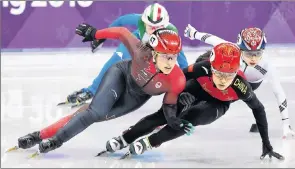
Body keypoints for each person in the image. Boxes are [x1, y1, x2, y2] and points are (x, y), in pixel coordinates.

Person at [13, 25, 193, 156]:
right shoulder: (140, 51)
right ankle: (54, 140)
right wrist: (95, 34)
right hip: (120, 76)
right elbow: (122, 32)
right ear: (154, 53)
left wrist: (174, 121)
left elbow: (168, 107)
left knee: (90, 115)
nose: (171, 62)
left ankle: (38, 135)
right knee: (94, 112)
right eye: (166, 57)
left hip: (136, 97)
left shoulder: (177, 80)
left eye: (174, 57)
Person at [101, 42, 284, 161]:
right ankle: (125, 138)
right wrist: (177, 99)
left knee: (192, 118)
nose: (222, 80)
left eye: (228, 75)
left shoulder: (241, 86)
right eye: (218, 73)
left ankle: (151, 141)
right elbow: (175, 79)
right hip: (197, 87)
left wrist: (266, 144)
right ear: (211, 68)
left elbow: (259, 110)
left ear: (236, 73)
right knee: (163, 115)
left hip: (218, 103)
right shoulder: (201, 68)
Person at [61, 3, 188, 108]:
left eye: (157, 27)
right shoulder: (139, 20)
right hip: (136, 41)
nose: (153, 30)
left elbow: (181, 60)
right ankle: (92, 90)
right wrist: (101, 38)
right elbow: (120, 21)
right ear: (144, 21)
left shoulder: (172, 34)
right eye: (150, 26)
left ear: (164, 25)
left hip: (154, 53)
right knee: (116, 60)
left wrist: (186, 86)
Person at [184, 24, 295, 138]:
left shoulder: (266, 65)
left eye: (257, 53)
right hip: (228, 76)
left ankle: (194, 109)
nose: (253, 58)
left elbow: (279, 93)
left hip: (244, 85)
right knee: (205, 60)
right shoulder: (232, 49)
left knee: (212, 100)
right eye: (248, 54)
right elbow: (212, 39)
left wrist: (286, 123)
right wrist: (193, 33)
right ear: (240, 49)